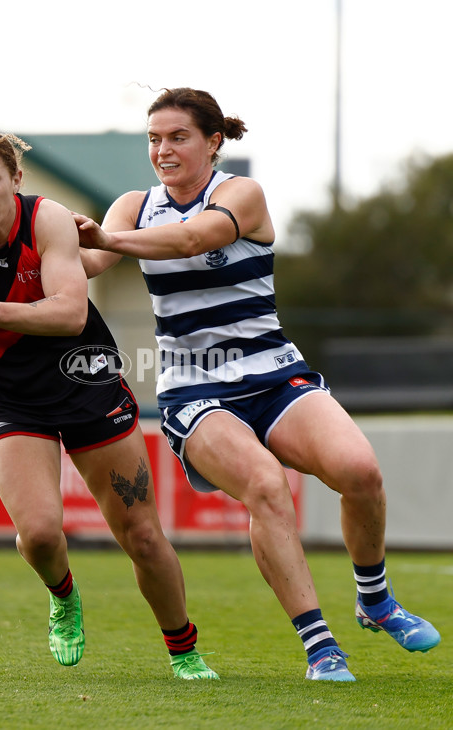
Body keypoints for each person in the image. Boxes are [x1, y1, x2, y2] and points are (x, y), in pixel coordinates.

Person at [73, 87, 441, 681]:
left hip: (274, 372)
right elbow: (87, 263)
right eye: (154, 138)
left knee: (362, 474)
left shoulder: (239, 194)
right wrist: (30, 240)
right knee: (266, 486)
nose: (162, 150)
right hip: (195, 389)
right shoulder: (133, 206)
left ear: (213, 141)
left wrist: (108, 239)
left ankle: (374, 599)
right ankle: (321, 647)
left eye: (177, 137)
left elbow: (195, 239)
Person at [0, 128, 218, 680]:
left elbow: (71, 313)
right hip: (11, 396)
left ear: (16, 179)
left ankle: (184, 649)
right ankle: (64, 597)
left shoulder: (48, 220)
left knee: (142, 534)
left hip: (87, 379)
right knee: (39, 533)